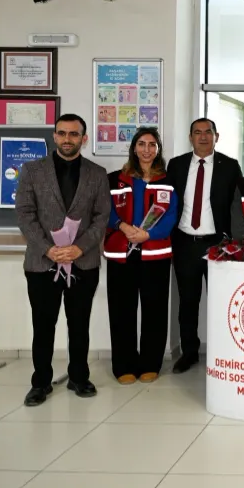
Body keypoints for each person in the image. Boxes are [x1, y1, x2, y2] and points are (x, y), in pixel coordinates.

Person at [15, 114, 110, 406]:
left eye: (74, 134)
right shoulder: (32, 171)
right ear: (54, 136)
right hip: (42, 263)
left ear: (84, 138)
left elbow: (102, 217)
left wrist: (79, 248)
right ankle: (40, 383)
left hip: (83, 262)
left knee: (79, 325)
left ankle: (79, 377)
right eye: (62, 133)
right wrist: (48, 249)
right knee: (43, 326)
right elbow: (24, 214)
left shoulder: (97, 173)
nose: (67, 139)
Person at [167, 118, 244, 374]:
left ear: (216, 136)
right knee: (188, 302)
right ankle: (189, 352)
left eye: (208, 132)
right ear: (190, 137)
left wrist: (232, 241)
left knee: (221, 301)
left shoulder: (230, 166)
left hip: (218, 245)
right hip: (185, 242)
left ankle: (224, 352)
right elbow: (168, 202)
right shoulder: (176, 165)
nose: (203, 137)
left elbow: (237, 206)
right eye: (197, 132)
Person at [102, 127, 178, 384]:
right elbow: (105, 210)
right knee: (121, 310)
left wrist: (148, 235)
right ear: (134, 148)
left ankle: (150, 363)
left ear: (158, 150)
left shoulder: (168, 181)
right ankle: (123, 365)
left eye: (152, 145)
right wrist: (123, 227)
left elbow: (171, 215)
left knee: (155, 310)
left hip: (155, 254)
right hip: (121, 253)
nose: (147, 149)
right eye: (142, 144)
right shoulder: (115, 179)